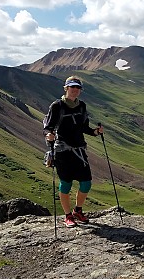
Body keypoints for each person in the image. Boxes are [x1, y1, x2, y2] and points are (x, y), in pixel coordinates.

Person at [43, 76, 103, 227]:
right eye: (72, 87)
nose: (75, 90)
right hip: (62, 151)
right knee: (66, 184)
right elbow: (48, 126)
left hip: (79, 150)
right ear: (66, 88)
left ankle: (78, 210)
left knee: (86, 183)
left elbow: (84, 127)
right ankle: (68, 216)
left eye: (78, 88)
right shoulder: (57, 106)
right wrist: (49, 134)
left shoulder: (82, 106)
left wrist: (95, 132)